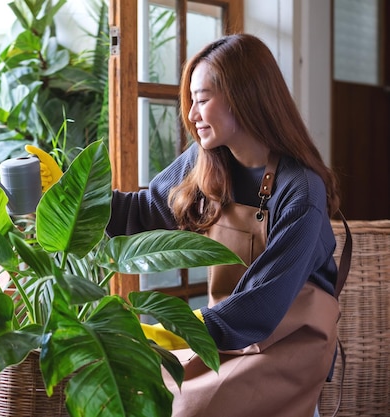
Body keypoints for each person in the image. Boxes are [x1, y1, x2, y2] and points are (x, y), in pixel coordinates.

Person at [104, 33, 342, 417]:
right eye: (191, 102)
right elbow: (143, 211)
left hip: (283, 349)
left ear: (244, 97)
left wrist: (174, 330)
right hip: (222, 339)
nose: (192, 115)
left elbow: (262, 301)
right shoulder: (208, 162)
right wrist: (68, 198)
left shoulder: (302, 190)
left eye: (202, 100)